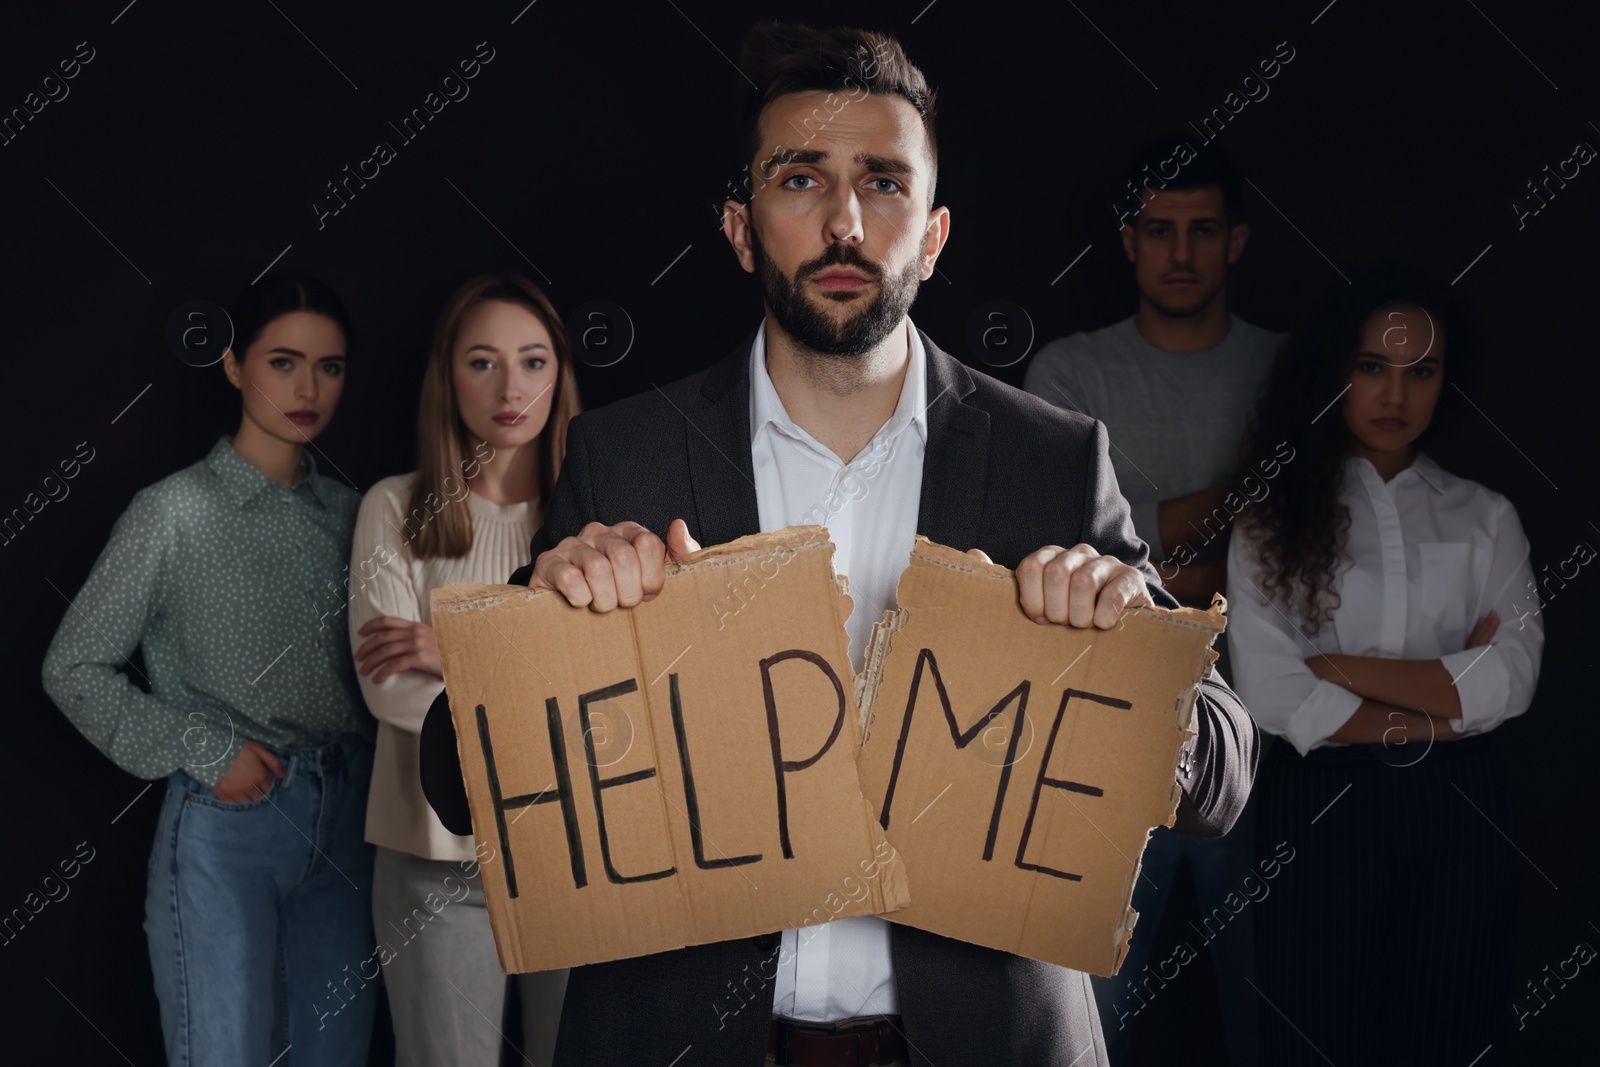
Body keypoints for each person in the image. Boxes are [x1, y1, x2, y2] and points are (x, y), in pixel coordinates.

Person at [418, 24, 1257, 1066]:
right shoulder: (624, 455)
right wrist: (545, 633)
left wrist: (1132, 658)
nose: (845, 222)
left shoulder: (1052, 458)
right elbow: (459, 778)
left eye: (884, 183)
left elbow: (1221, 777)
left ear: (935, 232)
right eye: (801, 179)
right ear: (738, 226)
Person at [40, 272, 379, 1067]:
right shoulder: (173, 511)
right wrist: (204, 748)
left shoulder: (355, 511)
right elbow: (73, 666)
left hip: (351, 833)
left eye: (329, 367)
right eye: (283, 362)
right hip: (230, 835)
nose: (308, 388)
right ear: (233, 365)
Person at [1226, 267, 1542, 1065]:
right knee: (1317, 1031)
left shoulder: (1486, 516)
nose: (1396, 395)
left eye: (1421, 372)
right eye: (1373, 367)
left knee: (1451, 1030)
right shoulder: (1270, 519)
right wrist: (1440, 705)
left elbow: (1512, 678)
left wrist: (1338, 663)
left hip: (1460, 808)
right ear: (1336, 370)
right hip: (1322, 805)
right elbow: (1270, 691)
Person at [1023, 137, 1281, 1065]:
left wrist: (1156, 555)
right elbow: (1082, 558)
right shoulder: (1067, 376)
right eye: (1159, 230)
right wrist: (1248, 505)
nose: (1181, 253)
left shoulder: (1291, 367)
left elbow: (1316, 553)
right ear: (1127, 242)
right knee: (1089, 1013)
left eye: (1203, 231)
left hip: (1276, 725)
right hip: (1108, 728)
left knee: (1277, 1004)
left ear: (1237, 242)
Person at [347, 274, 579, 1067]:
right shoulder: (394, 507)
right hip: (433, 856)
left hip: (575, 848)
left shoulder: (597, 515)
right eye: (482, 362)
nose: (511, 388)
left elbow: (614, 694)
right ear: (448, 376)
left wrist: (454, 649)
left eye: (533, 361)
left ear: (560, 374)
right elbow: (390, 688)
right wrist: (536, 666)